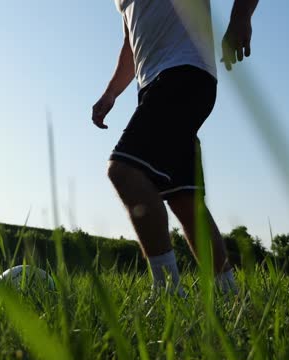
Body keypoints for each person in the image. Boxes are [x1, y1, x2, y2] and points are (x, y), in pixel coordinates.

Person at [92, 0, 258, 296]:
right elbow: (131, 44)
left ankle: (168, 294)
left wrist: (241, 17)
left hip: (185, 72)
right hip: (155, 85)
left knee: (124, 171)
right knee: (184, 199)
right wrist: (111, 93)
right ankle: (231, 297)